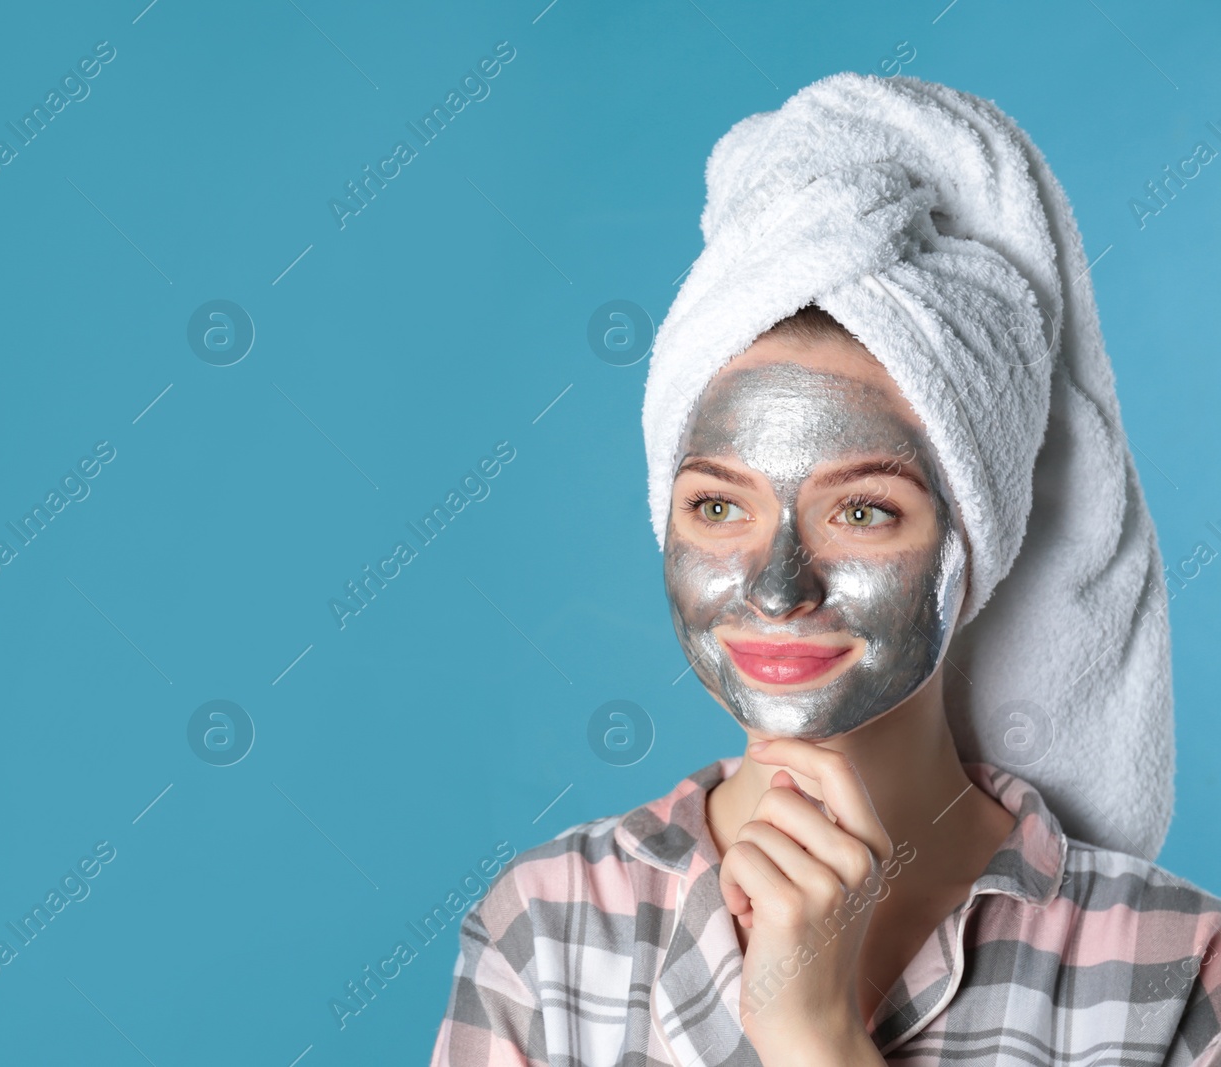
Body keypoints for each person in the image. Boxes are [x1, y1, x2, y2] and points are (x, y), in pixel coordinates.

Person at [429, 72, 1221, 1067]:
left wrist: (814, 1035)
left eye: (862, 511)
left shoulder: (1174, 971)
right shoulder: (548, 928)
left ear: (974, 539)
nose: (776, 587)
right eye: (718, 505)